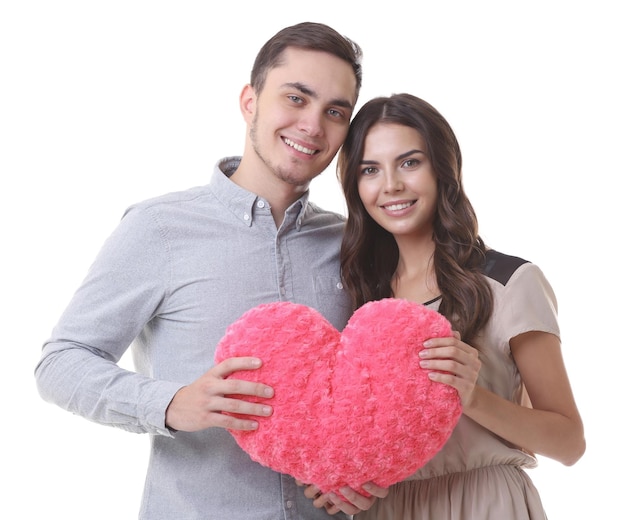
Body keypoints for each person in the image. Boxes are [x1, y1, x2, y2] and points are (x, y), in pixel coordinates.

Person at [35, 22, 388, 519]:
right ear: (250, 101)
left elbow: (373, 392)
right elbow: (61, 362)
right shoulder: (160, 228)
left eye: (335, 111)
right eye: (295, 98)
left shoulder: (353, 241)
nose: (313, 125)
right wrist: (172, 402)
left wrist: (368, 473)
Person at [336, 93, 586, 519]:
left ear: (442, 169)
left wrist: (471, 397)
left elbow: (569, 443)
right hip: (385, 509)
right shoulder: (358, 297)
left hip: (484, 503)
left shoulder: (508, 282)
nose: (391, 184)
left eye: (410, 162)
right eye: (370, 169)